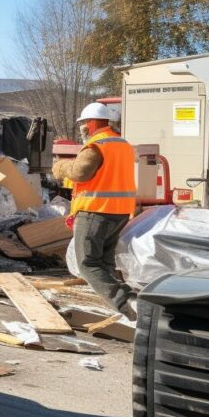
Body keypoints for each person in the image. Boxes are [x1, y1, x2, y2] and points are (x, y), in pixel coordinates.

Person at [53, 102, 138, 320]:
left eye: (82, 124)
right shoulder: (123, 144)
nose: (82, 128)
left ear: (90, 124)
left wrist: (61, 166)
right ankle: (124, 307)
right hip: (119, 212)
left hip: (95, 211)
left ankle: (126, 302)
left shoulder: (96, 145)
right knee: (104, 262)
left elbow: (81, 173)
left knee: (87, 264)